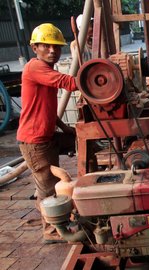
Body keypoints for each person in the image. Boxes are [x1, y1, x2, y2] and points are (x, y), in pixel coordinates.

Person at [17, 23, 78, 243]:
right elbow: (68, 83)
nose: (53, 50)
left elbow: (49, 110)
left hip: (48, 137)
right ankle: (51, 232)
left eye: (57, 46)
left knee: (81, 140)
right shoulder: (35, 68)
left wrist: (66, 129)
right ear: (35, 47)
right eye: (47, 46)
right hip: (35, 142)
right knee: (48, 187)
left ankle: (81, 200)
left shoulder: (47, 70)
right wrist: (95, 79)